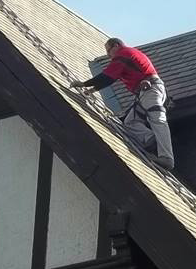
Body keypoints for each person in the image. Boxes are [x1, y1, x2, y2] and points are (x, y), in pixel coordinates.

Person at [71, 38, 174, 170]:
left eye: (109, 51)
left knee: (157, 119)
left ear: (116, 45)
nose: (109, 55)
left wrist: (84, 84)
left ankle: (167, 157)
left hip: (150, 90)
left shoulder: (123, 54)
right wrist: (93, 89)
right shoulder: (129, 54)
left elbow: (107, 77)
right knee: (131, 122)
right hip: (146, 92)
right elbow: (110, 78)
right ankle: (150, 140)